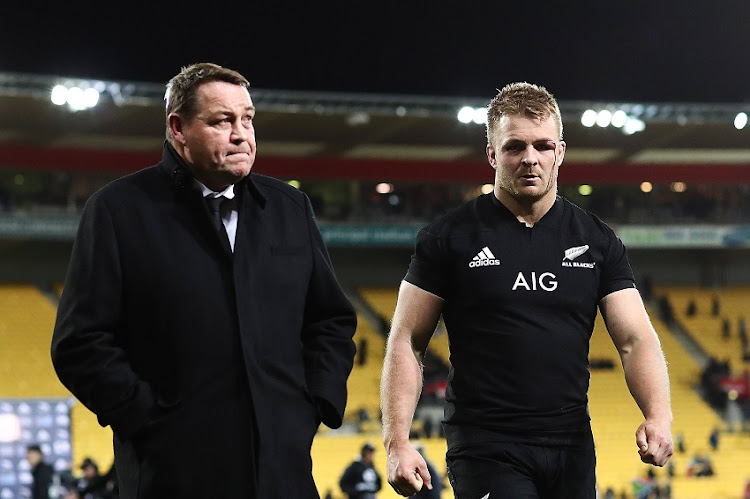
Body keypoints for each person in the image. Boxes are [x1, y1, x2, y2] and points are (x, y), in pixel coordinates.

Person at [51, 62, 357, 498]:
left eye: (248, 119)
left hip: (282, 473)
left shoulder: (290, 208)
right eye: (222, 121)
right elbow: (79, 343)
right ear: (178, 128)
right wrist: (149, 421)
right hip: (172, 478)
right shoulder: (118, 211)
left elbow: (330, 320)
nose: (241, 134)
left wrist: (311, 407)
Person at [380, 82, 673, 498]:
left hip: (571, 444)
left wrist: (658, 417)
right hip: (486, 445)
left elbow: (635, 339)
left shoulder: (597, 240)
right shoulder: (448, 238)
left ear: (561, 153)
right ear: (492, 155)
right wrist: (397, 443)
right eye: (514, 146)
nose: (530, 159)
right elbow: (407, 339)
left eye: (543, 146)